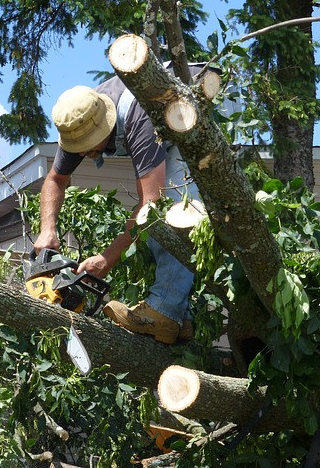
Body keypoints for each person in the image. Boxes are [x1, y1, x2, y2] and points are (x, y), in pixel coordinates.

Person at [34, 76, 198, 344]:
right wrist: (47, 230)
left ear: (104, 127)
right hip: (160, 129)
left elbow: (150, 206)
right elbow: (55, 180)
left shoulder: (139, 117)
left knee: (173, 208)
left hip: (184, 116)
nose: (84, 154)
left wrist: (107, 258)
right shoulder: (78, 121)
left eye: (88, 148)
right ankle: (182, 319)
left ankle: (166, 311)